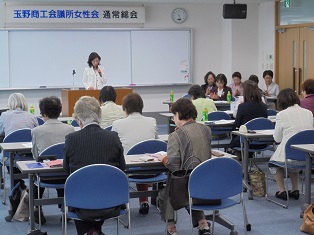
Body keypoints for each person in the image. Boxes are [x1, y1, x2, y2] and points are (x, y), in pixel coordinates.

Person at [63, 96, 125, 235]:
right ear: (99, 115)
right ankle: (94, 230)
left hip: (80, 204)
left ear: (78, 119)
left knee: (79, 186)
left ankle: (91, 231)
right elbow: (121, 170)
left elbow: (67, 171)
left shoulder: (71, 139)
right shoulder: (113, 137)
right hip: (112, 202)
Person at [158, 98, 212, 235]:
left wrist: (164, 159)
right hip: (205, 183)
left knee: (166, 192)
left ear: (177, 114)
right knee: (187, 188)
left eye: (173, 116)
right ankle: (203, 223)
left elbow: (174, 166)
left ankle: (171, 227)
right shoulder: (206, 130)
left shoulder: (176, 135)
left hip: (185, 185)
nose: (173, 119)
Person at [31, 96, 75, 224]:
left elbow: (35, 156)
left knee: (36, 174)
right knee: (62, 168)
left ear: (43, 113)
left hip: (45, 175)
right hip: (66, 173)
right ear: (59, 111)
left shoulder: (36, 131)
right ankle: (65, 209)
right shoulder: (70, 129)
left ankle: (36, 207)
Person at [112, 92, 158, 215]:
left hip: (127, 169)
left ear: (125, 108)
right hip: (151, 168)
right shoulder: (152, 121)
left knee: (117, 160)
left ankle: (120, 201)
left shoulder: (117, 124)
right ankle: (144, 201)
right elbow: (156, 142)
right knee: (142, 158)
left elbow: (113, 147)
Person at [269, 88, 313, 201]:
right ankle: (295, 189)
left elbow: (277, 138)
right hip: (307, 156)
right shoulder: (308, 113)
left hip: (290, 155)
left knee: (274, 163)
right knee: (293, 162)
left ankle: (282, 191)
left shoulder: (282, 114)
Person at [229, 80, 268, 157]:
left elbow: (237, 125)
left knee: (234, 140)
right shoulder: (264, 106)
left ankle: (240, 158)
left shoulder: (242, 106)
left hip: (245, 141)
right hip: (261, 142)